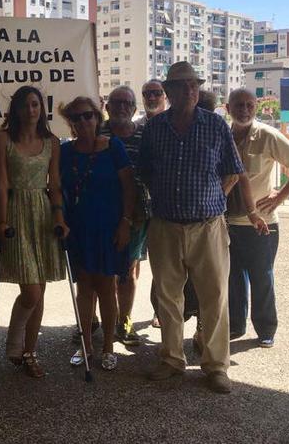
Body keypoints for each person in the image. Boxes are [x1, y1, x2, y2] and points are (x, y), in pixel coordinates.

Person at [138, 61, 265, 394]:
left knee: (215, 296)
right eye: (182, 86)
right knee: (167, 297)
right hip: (165, 225)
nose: (190, 91)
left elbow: (232, 172)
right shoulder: (154, 129)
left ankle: (216, 366)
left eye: (194, 85)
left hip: (208, 226)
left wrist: (212, 200)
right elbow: (146, 173)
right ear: (169, 92)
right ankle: (171, 359)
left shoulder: (215, 126)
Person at [226, 88, 289, 348]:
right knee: (232, 278)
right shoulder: (223, 136)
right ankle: (235, 326)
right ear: (228, 109)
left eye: (250, 105)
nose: (244, 110)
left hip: (260, 224)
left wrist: (279, 198)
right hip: (228, 221)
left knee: (262, 277)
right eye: (239, 105)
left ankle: (265, 329)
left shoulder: (266, 135)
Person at [0, 86, 67, 378]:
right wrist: (1, 220)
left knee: (41, 287)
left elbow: (55, 183)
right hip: (15, 212)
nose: (31, 110)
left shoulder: (52, 142)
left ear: (42, 109)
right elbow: (1, 183)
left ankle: (30, 352)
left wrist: (60, 215)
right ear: (16, 110)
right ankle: (14, 341)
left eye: (35, 104)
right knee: (31, 290)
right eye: (25, 105)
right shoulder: (3, 140)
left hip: (43, 212)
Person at [60, 96, 135, 372]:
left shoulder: (114, 147)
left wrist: (126, 222)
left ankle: (108, 347)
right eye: (76, 117)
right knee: (84, 289)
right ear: (70, 122)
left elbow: (129, 187)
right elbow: (56, 189)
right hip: (78, 228)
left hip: (109, 227)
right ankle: (87, 346)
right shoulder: (65, 152)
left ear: (97, 117)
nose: (83, 121)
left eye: (88, 115)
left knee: (106, 287)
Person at [101, 86, 149, 347]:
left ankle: (124, 320)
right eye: (116, 102)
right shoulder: (96, 132)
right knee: (97, 269)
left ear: (133, 108)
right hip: (99, 210)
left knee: (128, 270)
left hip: (136, 212)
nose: (121, 107)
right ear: (107, 108)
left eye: (127, 103)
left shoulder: (145, 135)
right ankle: (94, 320)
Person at [140, 79, 168, 329]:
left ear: (165, 95)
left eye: (157, 93)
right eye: (147, 93)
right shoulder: (137, 127)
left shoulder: (173, 124)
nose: (152, 97)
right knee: (134, 265)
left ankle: (159, 310)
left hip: (165, 206)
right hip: (139, 205)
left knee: (163, 263)